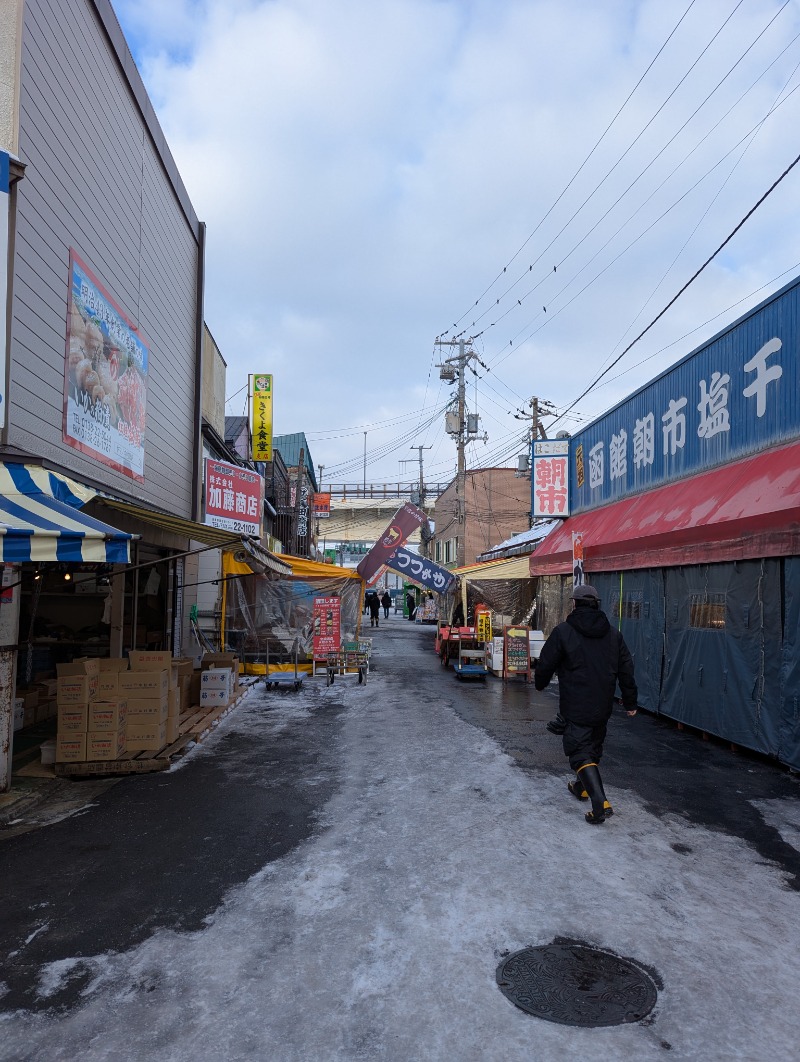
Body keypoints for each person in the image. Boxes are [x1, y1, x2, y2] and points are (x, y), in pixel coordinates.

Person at [534, 584, 638, 825]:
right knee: (592, 746)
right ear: (597, 604)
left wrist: (540, 683)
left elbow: (547, 661)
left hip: (575, 704)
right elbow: (626, 669)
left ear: (574, 604)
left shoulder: (563, 631)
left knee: (579, 751)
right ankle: (581, 787)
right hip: (603, 705)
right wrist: (630, 701)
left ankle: (600, 802)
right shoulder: (614, 634)